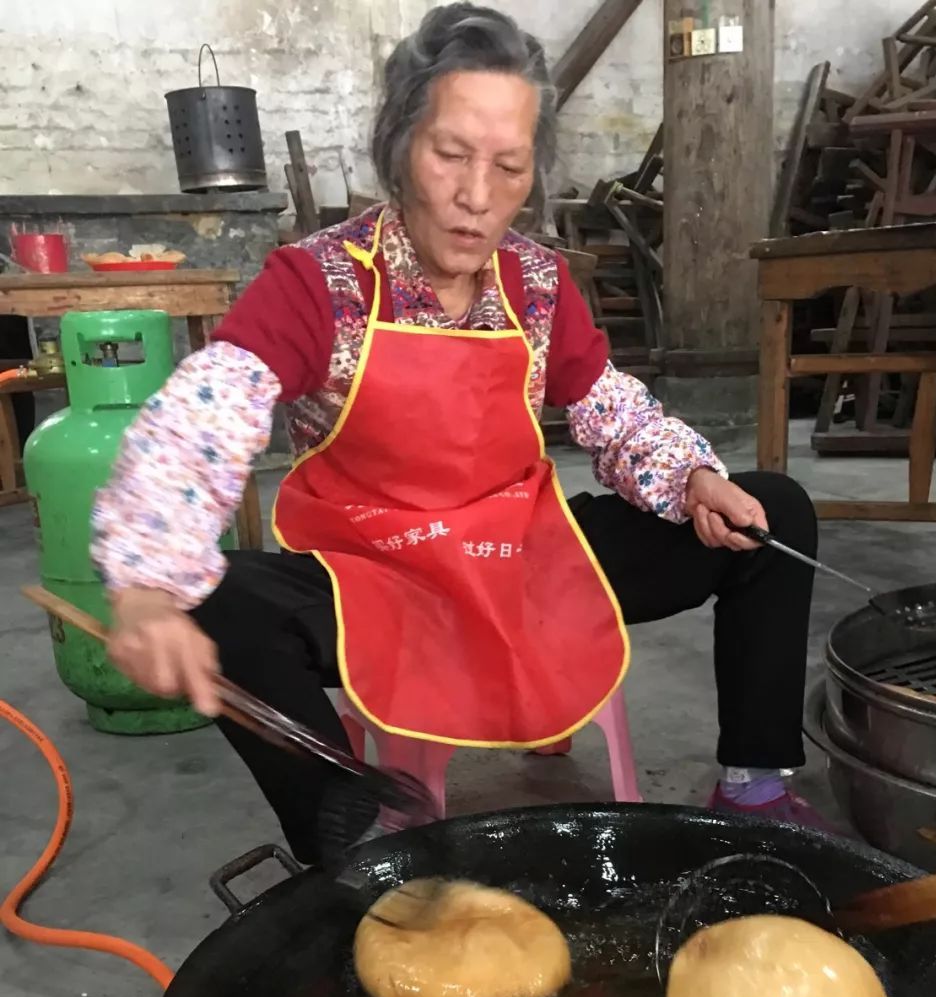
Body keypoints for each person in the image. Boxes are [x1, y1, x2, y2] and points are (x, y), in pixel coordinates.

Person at [90, 3, 824, 864]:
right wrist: (147, 586)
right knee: (219, 604)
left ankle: (754, 784)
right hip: (379, 578)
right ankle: (359, 844)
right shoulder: (320, 281)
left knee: (770, 514)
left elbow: (611, 408)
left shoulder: (538, 284)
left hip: (520, 561)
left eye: (509, 167)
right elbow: (203, 412)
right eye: (451, 155)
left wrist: (693, 479)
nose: (478, 197)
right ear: (401, 145)